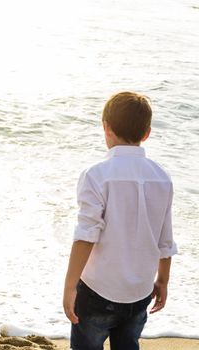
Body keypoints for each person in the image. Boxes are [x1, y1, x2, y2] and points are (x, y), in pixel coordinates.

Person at [62, 92, 177, 350]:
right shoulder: (162, 177)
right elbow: (165, 239)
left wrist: (70, 286)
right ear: (146, 133)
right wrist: (163, 281)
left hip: (97, 292)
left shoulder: (97, 175)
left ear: (106, 127)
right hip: (139, 291)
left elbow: (86, 235)